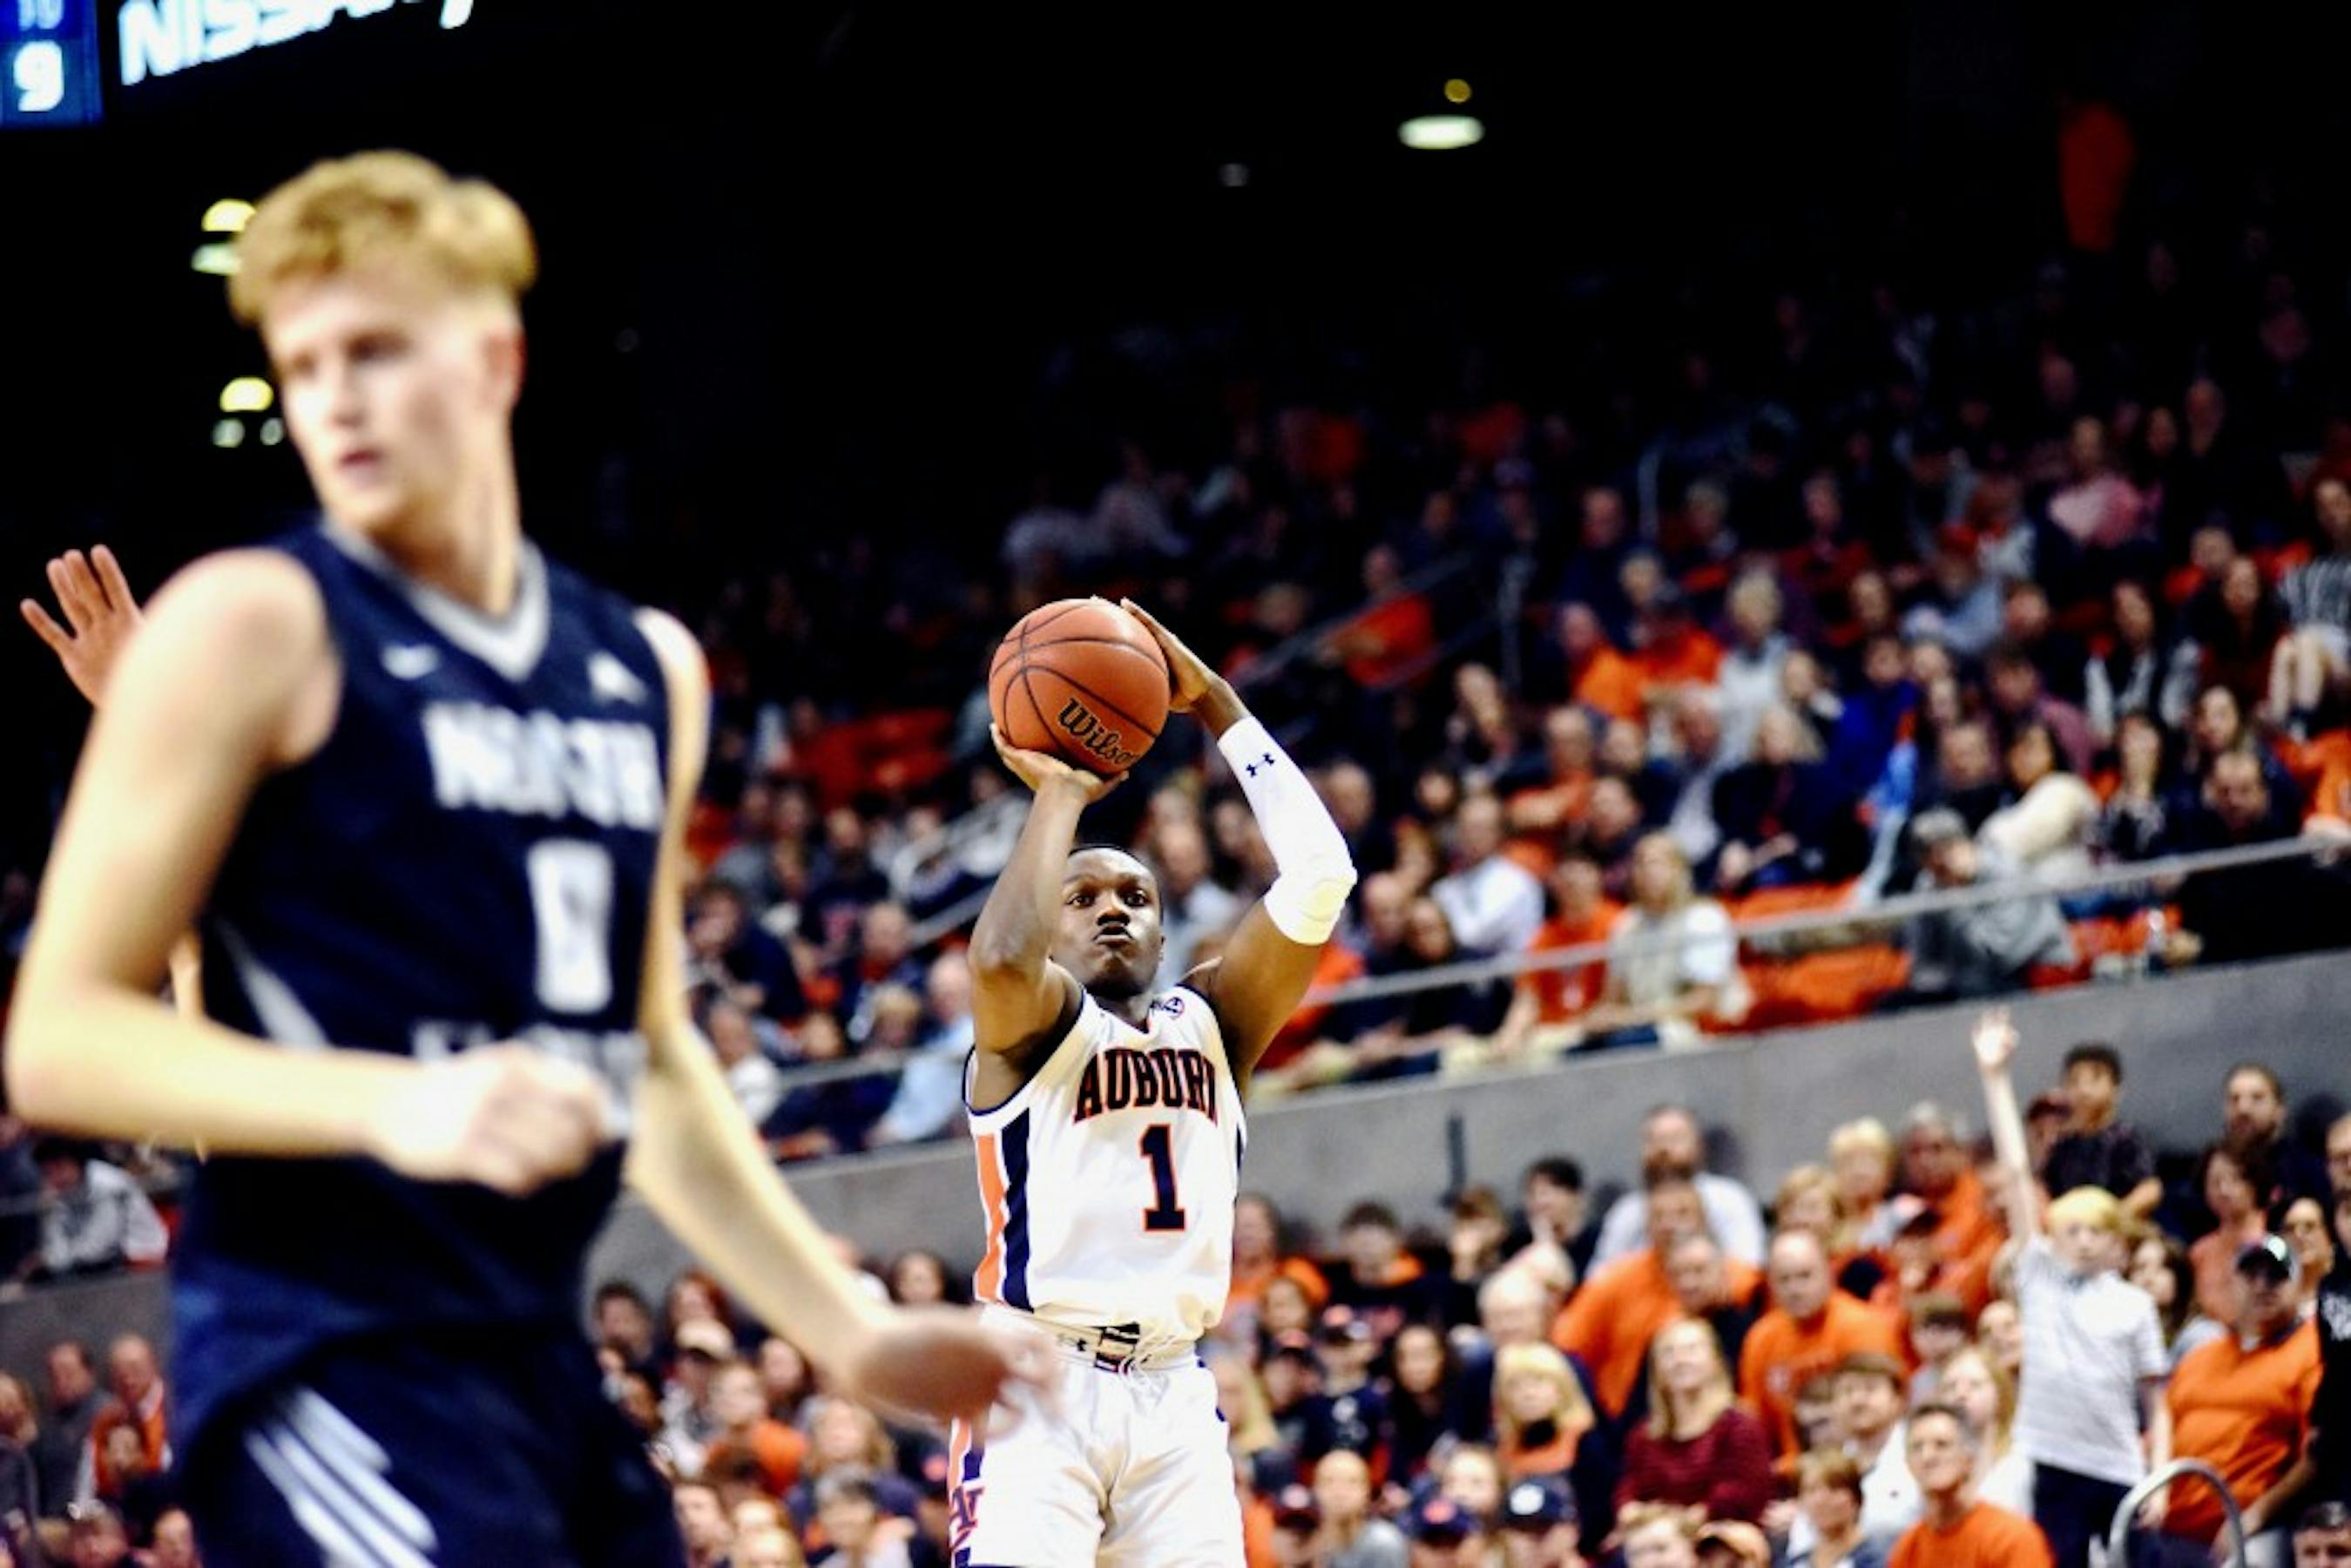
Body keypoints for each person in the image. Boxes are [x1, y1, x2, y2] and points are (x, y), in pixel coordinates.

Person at [0, 153, 1030, 1563]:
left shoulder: (644, 670)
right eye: (303, 366)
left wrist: (846, 1331)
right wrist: (396, 1105)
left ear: (497, 358)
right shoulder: (254, 623)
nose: (334, 398)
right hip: (321, 1357)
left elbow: (650, 1059)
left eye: (374, 349)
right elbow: (58, 1042)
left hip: (531, 1362)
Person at [951, 597, 1356, 1564]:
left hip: (1173, 1389)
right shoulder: (1031, 1029)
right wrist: (1060, 793)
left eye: (1135, 897)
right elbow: (1000, 960)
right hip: (1036, 1376)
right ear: (1050, 928)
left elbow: (1320, 874)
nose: (1112, 910)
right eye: (1081, 897)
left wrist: (1217, 704)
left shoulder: (1214, 1020)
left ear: (1164, 933)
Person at [1971, 1008, 2171, 1568]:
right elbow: (2016, 1172)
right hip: (2055, 1462)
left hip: (2119, 1466)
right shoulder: (2038, 1276)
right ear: (2053, 1234)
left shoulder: (2134, 1304)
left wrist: (2160, 1475)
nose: (2082, 1242)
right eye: (2071, 1230)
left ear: (2116, 1240)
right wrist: (1994, 1077)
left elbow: (2158, 1404)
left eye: (2095, 1232)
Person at [2162, 1235, 2324, 1565]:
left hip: (2251, 1527)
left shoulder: (2312, 1351)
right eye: (2252, 1275)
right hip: (2169, 1521)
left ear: (2297, 1284)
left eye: (2276, 1275)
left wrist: (2255, 1517)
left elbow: (2318, 1453)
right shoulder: (2200, 1356)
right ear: (2232, 1283)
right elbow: (2160, 1433)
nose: (2263, 1285)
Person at [1740, 1229, 1903, 1457]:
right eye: (1784, 1279)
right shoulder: (1761, 1338)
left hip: (1862, 1458)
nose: (1795, 1289)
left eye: (1805, 1276)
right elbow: (1755, 1423)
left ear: (1828, 1273)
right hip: (1793, 1467)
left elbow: (1881, 1411)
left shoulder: (1862, 1326)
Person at [1616, 1319, 1773, 1524]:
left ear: (1715, 1361)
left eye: (1691, 1350)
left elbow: (1743, 1493)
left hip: (1720, 1530)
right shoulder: (1644, 1436)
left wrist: (1688, 1520)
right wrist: (1629, 1509)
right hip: (1658, 1531)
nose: (1680, 1360)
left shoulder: (1738, 1426)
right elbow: (1630, 1487)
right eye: (1668, 1352)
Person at [1590, 1105, 1768, 1269]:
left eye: (1675, 1139)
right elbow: (1600, 1279)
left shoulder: (1729, 1199)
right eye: (1654, 1140)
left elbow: (1748, 1268)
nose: (1664, 1149)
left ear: (1698, 1146)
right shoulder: (1626, 1211)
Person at [1886, 1403, 2054, 1568]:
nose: (1928, 1456)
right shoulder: (1908, 1548)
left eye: (1942, 1445)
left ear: (1969, 1458)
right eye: (1917, 1448)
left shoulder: (2011, 1538)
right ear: (1907, 1463)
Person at [2039, 1041, 2161, 1220]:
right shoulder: (2062, 1146)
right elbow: (2046, 1191)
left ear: (2116, 1089)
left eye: (2095, 1079)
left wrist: (2114, 1218)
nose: (2084, 1090)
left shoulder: (2127, 1138)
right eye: (2075, 1081)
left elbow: (2150, 1189)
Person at [1787, 1449, 1886, 1568]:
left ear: (1856, 1498)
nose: (1821, 1500)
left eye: (1833, 1488)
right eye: (1811, 1490)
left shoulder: (1875, 1560)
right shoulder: (1795, 1563)